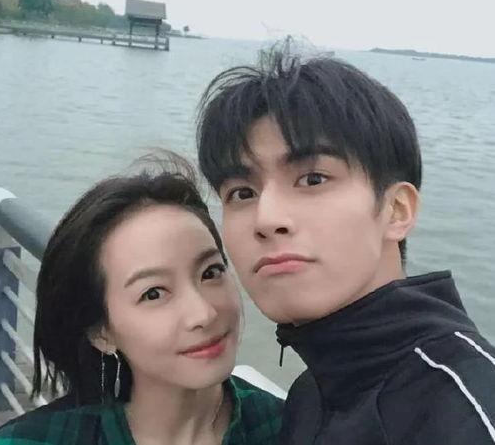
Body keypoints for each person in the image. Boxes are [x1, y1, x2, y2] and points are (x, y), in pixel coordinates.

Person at [196, 45, 495, 444]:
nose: (266, 219)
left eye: (313, 179)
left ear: (397, 210)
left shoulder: (465, 407)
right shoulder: (310, 395)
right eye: (242, 193)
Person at [0, 155, 283, 445]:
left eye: (210, 272)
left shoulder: (289, 428)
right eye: (153, 293)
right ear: (101, 331)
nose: (203, 314)